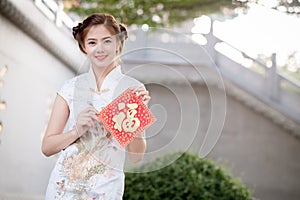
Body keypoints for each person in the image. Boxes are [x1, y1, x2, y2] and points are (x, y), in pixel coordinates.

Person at [41, 13, 151, 199]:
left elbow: (136, 156)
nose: (100, 49)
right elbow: (47, 147)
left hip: (105, 190)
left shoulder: (132, 89)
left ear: (118, 43)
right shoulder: (70, 87)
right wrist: (77, 130)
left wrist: (134, 121)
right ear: (84, 47)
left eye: (107, 41)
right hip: (63, 187)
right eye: (92, 43)